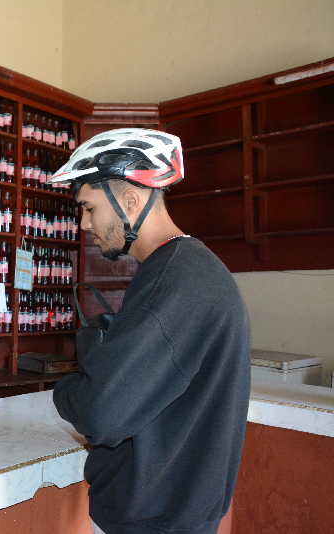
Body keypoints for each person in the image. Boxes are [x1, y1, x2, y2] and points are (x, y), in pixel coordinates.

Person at [49, 129, 250, 534]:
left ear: (130, 200)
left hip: (158, 518)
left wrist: (65, 390)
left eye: (88, 207)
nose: (84, 223)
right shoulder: (188, 268)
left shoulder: (174, 280)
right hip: (176, 511)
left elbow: (101, 413)